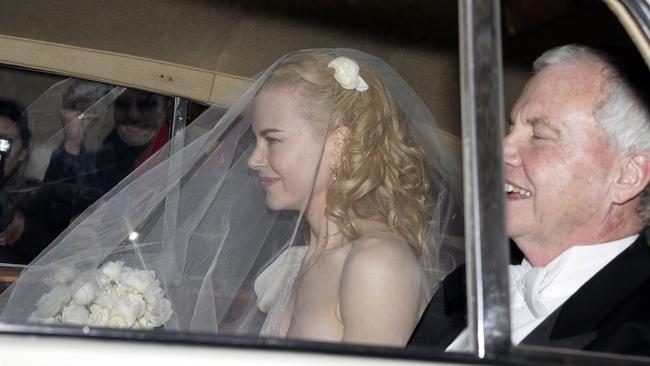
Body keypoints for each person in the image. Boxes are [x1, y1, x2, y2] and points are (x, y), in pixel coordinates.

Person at [0, 49, 461, 346]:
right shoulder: (304, 258)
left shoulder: (375, 263)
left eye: (273, 140)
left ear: (338, 143)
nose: (254, 161)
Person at [409, 44, 650, 356]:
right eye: (512, 128)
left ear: (626, 177)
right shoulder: (467, 284)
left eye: (541, 136)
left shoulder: (637, 334)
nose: (499, 150)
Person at [43, 82, 172, 219]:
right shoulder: (97, 167)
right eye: (122, 104)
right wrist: (72, 143)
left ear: (166, 110)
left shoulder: (180, 160)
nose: (133, 115)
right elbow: (51, 217)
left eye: (147, 105)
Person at [0, 100, 69, 263]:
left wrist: (20, 228)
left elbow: (60, 257)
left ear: (23, 152)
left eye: (4, 142)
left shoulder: (35, 197)